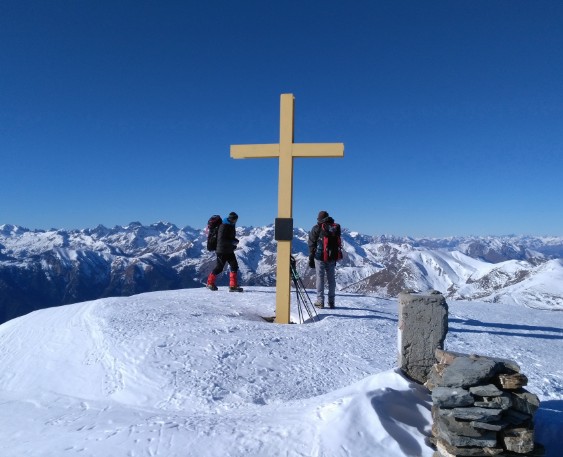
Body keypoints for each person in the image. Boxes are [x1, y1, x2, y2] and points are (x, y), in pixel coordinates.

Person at [308, 210, 339, 309]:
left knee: (320, 278)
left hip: (319, 257)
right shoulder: (334, 228)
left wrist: (311, 257)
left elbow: (311, 243)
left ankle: (320, 301)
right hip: (332, 257)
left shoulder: (316, 228)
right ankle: (331, 301)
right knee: (331, 279)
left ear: (319, 219)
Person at [206, 212, 244, 292]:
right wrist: (233, 242)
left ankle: (233, 286)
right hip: (221, 251)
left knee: (234, 266)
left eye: (236, 219)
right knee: (219, 268)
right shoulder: (223, 226)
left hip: (229, 250)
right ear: (231, 219)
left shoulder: (231, 225)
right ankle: (210, 283)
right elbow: (221, 240)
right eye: (234, 219)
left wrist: (233, 242)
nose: (235, 221)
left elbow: (228, 237)